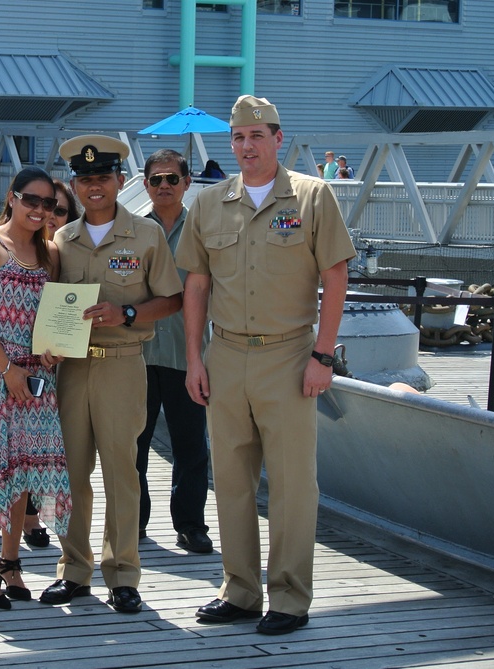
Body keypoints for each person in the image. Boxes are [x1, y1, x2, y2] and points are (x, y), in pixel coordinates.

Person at [175, 95, 355, 635]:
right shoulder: (209, 204)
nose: (247, 147)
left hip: (290, 354)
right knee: (229, 479)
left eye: (257, 136)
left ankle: (290, 598)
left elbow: (336, 277)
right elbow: (197, 285)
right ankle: (241, 591)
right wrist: (193, 360)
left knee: (294, 485)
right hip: (225, 355)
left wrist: (324, 355)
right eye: (238, 138)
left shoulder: (312, 195)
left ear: (278, 139)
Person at [39, 135, 183, 614]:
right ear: (75, 187)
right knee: (72, 474)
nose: (93, 187)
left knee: (123, 472)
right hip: (72, 369)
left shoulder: (146, 235)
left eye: (102, 178)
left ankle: (123, 574)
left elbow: (171, 300)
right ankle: (74, 570)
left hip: (122, 365)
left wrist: (124, 313)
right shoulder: (62, 240)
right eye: (84, 180)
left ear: (121, 181)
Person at [0, 166, 72, 609]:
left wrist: (52, 350)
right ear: (13, 197)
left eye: (49, 205)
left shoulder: (50, 253)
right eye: (32, 200)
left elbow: (52, 314)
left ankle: (12, 561)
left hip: (34, 376)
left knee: (25, 467)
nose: (40, 210)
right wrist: (6, 368)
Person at [135, 149, 211, 554]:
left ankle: (191, 524)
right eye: (155, 180)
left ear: (187, 183)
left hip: (188, 354)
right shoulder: (132, 230)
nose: (164, 186)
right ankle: (134, 523)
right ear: (145, 184)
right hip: (139, 356)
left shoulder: (204, 227)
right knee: (134, 444)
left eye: (172, 179)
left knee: (191, 447)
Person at [20, 178, 80, 549]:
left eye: (60, 210)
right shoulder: (12, 245)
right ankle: (12, 516)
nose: (51, 215)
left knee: (45, 447)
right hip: (11, 362)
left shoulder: (69, 252)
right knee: (13, 445)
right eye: (44, 206)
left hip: (55, 363)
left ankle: (36, 515)